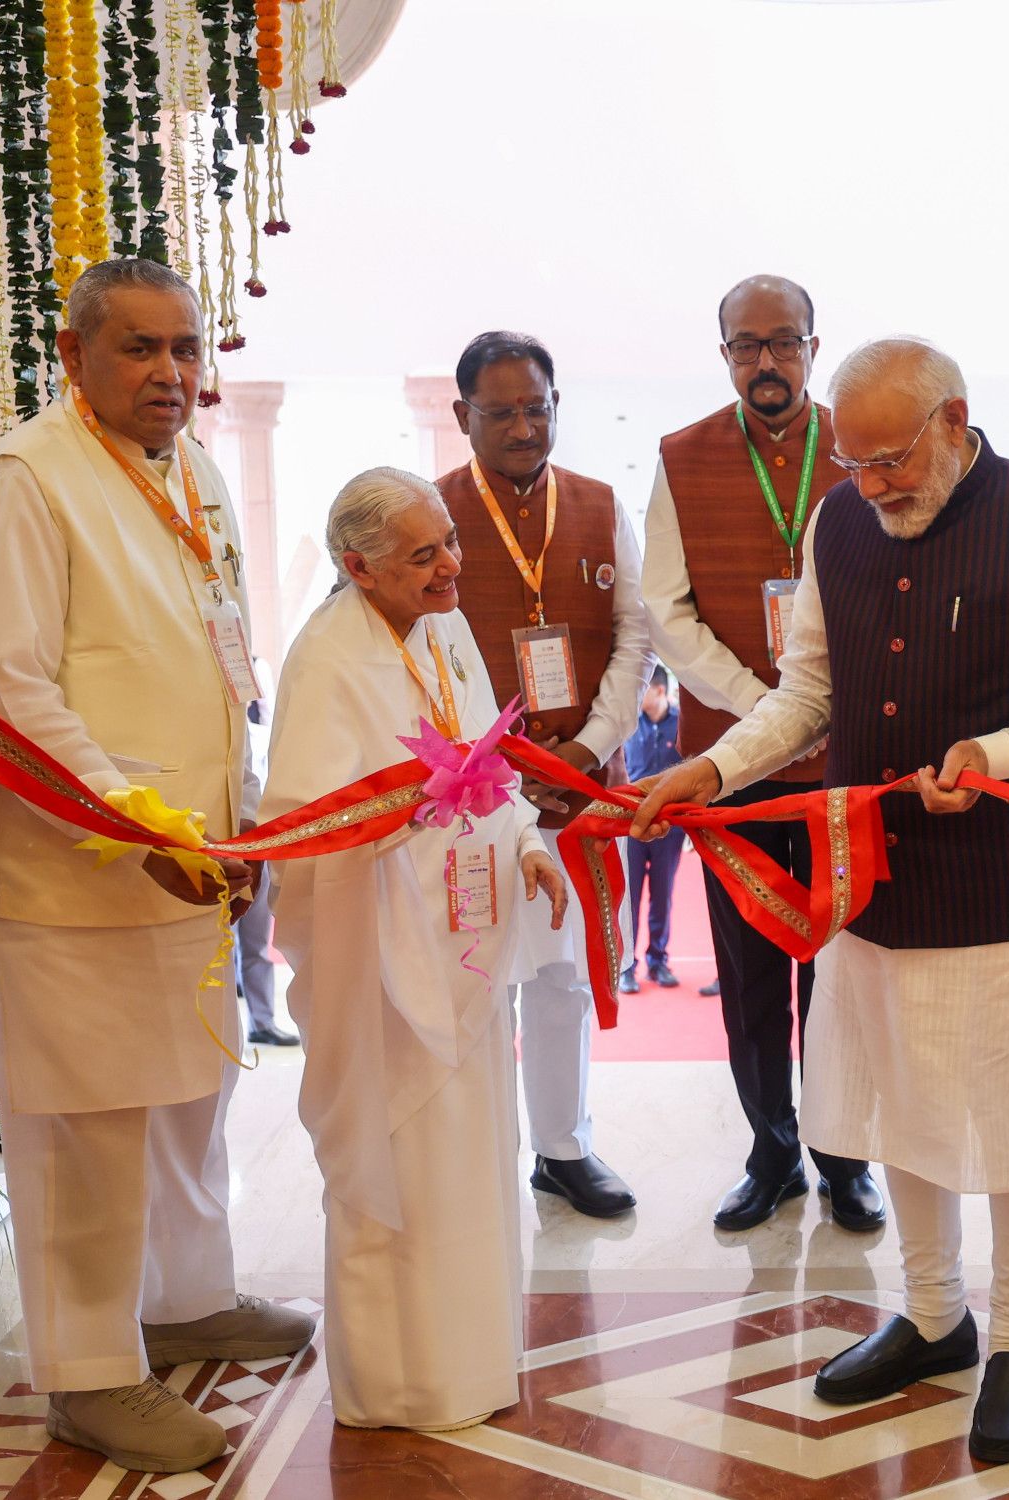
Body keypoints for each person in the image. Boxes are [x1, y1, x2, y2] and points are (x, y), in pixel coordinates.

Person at [630, 338, 1009, 1463]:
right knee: (897, 1108)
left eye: (890, 460)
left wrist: (1004, 752)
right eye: (855, 462)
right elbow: (810, 693)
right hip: (869, 890)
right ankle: (934, 1318)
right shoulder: (836, 521)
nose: (872, 486)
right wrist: (717, 768)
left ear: (953, 420)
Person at [0, 258, 314, 1472]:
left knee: (190, 1099)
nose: (172, 374)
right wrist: (141, 829)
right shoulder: (24, 484)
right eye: (141, 349)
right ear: (74, 355)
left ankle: (187, 1297)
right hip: (75, 878)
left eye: (187, 349)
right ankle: (90, 1372)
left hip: (189, 863)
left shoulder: (188, 473)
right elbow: (8, 692)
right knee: (85, 1130)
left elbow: (223, 662)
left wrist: (236, 820)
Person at [264, 469, 567, 1432]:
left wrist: (525, 839)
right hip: (380, 958)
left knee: (472, 1152)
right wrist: (415, 811)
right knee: (396, 1160)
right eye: (423, 554)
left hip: (464, 937)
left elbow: (491, 761)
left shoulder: (448, 629)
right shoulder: (325, 658)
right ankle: (397, 1384)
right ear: (357, 567)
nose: (450, 567)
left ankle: (471, 1366)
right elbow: (300, 820)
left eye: (450, 543)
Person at [641, 275, 881, 1233]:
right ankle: (771, 1152)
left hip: (844, 763)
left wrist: (824, 711)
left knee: (841, 964)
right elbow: (666, 607)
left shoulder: (860, 441)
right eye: (747, 346)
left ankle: (844, 1159)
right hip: (730, 767)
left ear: (814, 349)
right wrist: (762, 707)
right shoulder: (681, 455)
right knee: (745, 972)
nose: (767, 362)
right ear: (725, 355)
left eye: (784, 343)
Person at [437, 331, 651, 1219]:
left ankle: (562, 1150)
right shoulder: (431, 512)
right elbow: (419, 656)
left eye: (538, 407)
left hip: (584, 785)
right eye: (501, 412)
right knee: (474, 971)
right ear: (462, 417)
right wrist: (501, 768)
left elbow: (636, 636)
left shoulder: (601, 505)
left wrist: (591, 746)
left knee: (561, 971)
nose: (524, 428)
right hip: (473, 794)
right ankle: (471, 1147)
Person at [236, 697, 301, 1046]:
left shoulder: (275, 728)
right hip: (226, 835)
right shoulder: (234, 731)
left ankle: (262, 1021)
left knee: (256, 940)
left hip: (261, 839)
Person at [620, 667, 684, 995]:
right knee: (629, 896)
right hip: (630, 825)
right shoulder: (629, 723)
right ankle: (626, 966)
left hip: (670, 828)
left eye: (644, 687)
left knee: (663, 893)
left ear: (659, 691)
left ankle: (658, 960)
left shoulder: (681, 723)